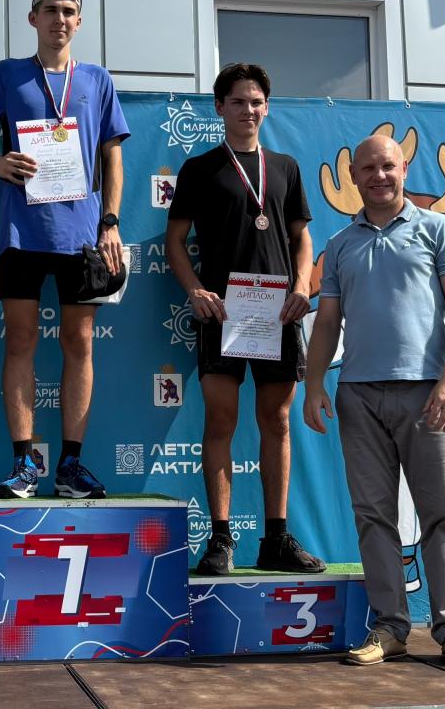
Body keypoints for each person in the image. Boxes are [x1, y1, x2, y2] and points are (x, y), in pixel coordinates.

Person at [303, 135, 445, 669]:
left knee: (440, 515)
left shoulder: (438, 229)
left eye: (387, 166)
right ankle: (390, 628)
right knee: (373, 517)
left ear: (403, 168)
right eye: (368, 169)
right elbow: (327, 323)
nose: (378, 176)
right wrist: (313, 385)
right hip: (358, 395)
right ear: (354, 178)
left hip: (429, 394)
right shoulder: (340, 244)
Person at [0, 0, 129, 499]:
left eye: (68, 11)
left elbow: (113, 157)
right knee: (21, 341)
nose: (59, 19)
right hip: (22, 230)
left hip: (83, 235)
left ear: (79, 21)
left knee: (80, 343)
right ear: (33, 19)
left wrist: (111, 222)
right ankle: (24, 464)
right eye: (50, 9)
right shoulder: (7, 74)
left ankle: (70, 465)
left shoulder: (96, 79)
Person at [165, 63, 325, 575]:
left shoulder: (286, 167)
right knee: (221, 420)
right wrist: (195, 290)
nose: (248, 110)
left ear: (267, 108)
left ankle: (275, 538)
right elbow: (174, 242)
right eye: (237, 101)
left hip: (278, 311)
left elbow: (301, 237)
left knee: (276, 421)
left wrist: (302, 286)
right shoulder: (199, 169)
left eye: (256, 102)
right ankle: (220, 538)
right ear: (219, 107)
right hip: (224, 312)